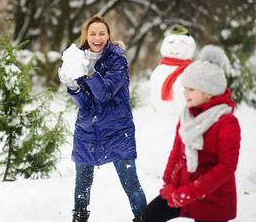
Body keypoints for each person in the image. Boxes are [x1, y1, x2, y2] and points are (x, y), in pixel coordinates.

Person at [58, 15, 147, 222]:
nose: (97, 37)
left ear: (108, 36)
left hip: (117, 131)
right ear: (86, 37)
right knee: (82, 184)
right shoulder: (77, 59)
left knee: (130, 181)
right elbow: (86, 104)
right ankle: (79, 218)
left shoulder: (118, 60)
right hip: (87, 131)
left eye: (102, 33)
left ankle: (144, 218)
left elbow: (105, 94)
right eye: (93, 34)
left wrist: (90, 73)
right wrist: (73, 87)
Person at [142, 45, 241, 222]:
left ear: (208, 92)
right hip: (181, 189)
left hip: (212, 197)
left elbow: (227, 166)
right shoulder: (187, 115)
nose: (184, 92)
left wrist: (192, 192)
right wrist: (168, 184)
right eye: (185, 87)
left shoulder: (226, 123)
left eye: (191, 88)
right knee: (150, 215)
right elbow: (176, 152)